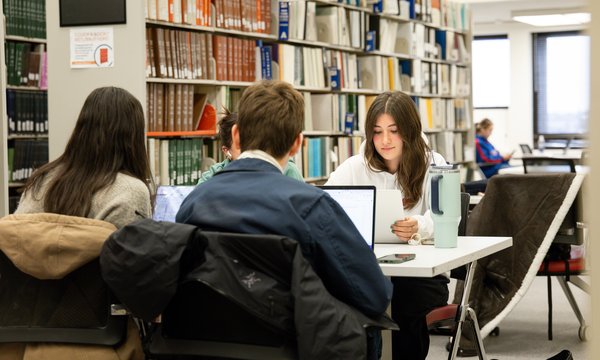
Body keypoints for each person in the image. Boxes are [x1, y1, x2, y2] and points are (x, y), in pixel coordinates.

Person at [176, 80, 392, 347]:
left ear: (235, 136)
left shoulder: (194, 202)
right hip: (287, 347)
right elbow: (373, 294)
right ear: (297, 144)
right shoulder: (311, 207)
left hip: (206, 345)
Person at [326, 91, 449, 360]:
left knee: (402, 302)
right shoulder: (354, 167)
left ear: (409, 131)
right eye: (377, 131)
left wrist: (420, 225)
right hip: (369, 269)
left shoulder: (435, 164)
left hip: (422, 277)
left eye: (394, 131)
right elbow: (325, 206)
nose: (385, 140)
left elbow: (447, 217)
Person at [16, 86, 153, 227]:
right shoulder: (131, 190)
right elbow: (135, 247)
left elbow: (17, 234)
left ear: (81, 129)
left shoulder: (43, 178)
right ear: (133, 139)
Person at [198, 109, 303, 185]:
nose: (250, 150)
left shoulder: (288, 169)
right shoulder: (213, 175)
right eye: (241, 144)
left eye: (253, 141)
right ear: (226, 151)